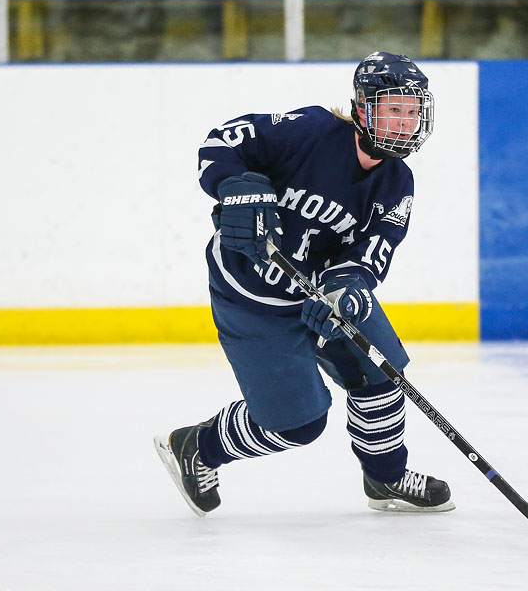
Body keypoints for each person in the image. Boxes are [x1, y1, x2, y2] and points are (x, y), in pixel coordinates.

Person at [154, 51, 454, 516]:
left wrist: (348, 290)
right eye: (393, 108)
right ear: (361, 107)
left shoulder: (397, 182)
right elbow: (222, 142)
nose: (404, 122)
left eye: (412, 111)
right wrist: (233, 184)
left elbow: (372, 252)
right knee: (298, 424)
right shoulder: (307, 131)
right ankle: (198, 447)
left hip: (323, 294)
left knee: (383, 372)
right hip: (250, 297)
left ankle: (386, 476)